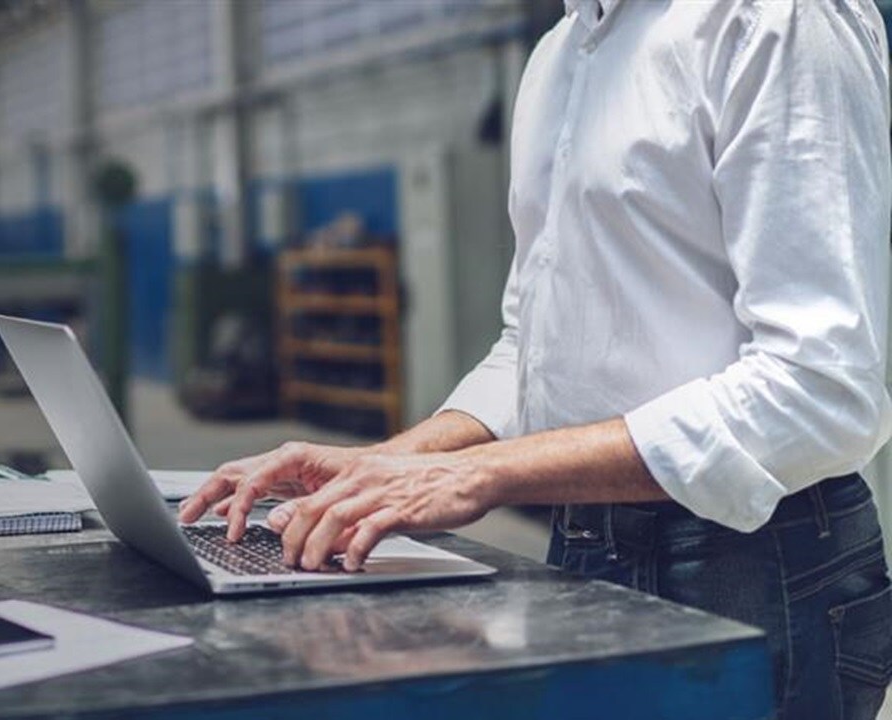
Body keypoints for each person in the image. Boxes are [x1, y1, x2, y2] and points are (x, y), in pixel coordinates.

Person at [179, 1, 892, 718]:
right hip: (585, 539)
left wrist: (478, 475)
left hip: (754, 564)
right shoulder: (562, 51)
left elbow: (817, 389)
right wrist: (389, 465)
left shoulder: (774, 19)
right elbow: (533, 344)